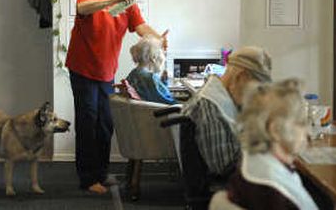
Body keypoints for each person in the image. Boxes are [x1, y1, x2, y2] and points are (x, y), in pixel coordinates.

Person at [65, 0, 167, 195]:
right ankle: (88, 179)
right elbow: (84, 7)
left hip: (106, 70)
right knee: (88, 121)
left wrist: (158, 38)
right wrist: (112, 1)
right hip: (83, 68)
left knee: (106, 124)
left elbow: (139, 26)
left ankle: (101, 173)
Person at [180, 46, 272, 209]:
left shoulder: (223, 95)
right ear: (242, 77)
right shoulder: (210, 105)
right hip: (223, 189)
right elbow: (223, 166)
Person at [222, 78, 319, 210]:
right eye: (301, 123)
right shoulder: (272, 192)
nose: (307, 131)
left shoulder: (255, 166)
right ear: (276, 130)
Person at [126, 36, 176, 105]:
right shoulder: (152, 78)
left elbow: (149, 94)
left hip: (141, 112)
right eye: (162, 61)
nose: (162, 65)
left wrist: (163, 82)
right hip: (158, 113)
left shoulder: (132, 74)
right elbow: (166, 99)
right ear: (154, 58)